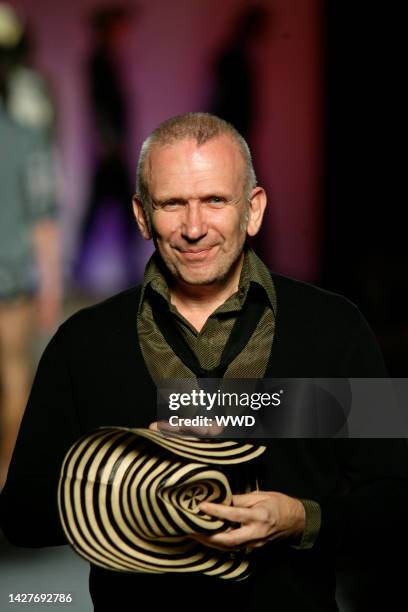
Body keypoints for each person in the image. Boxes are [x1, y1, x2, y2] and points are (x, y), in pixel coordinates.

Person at [1, 113, 407, 611]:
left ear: (253, 210)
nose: (194, 228)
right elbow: (21, 514)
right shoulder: (83, 345)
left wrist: (300, 519)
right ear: (142, 215)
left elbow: (394, 494)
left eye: (215, 200)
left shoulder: (332, 328)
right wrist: (133, 478)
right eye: (173, 204)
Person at [0, 3, 60, 489]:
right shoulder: (28, 121)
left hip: (12, 272)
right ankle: (7, 484)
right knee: (14, 373)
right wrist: (51, 283)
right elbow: (43, 209)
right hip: (11, 274)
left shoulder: (28, 118)